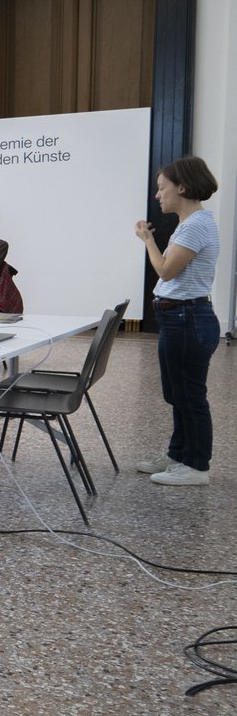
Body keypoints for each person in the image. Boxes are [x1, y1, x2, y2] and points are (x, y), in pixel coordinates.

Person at [134, 155, 221, 487]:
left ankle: (197, 466)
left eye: (162, 188)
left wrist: (147, 240)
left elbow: (167, 270)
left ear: (182, 187)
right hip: (179, 317)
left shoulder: (196, 224)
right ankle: (178, 454)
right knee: (177, 392)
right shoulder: (192, 224)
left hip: (188, 319)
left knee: (189, 394)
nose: (158, 195)